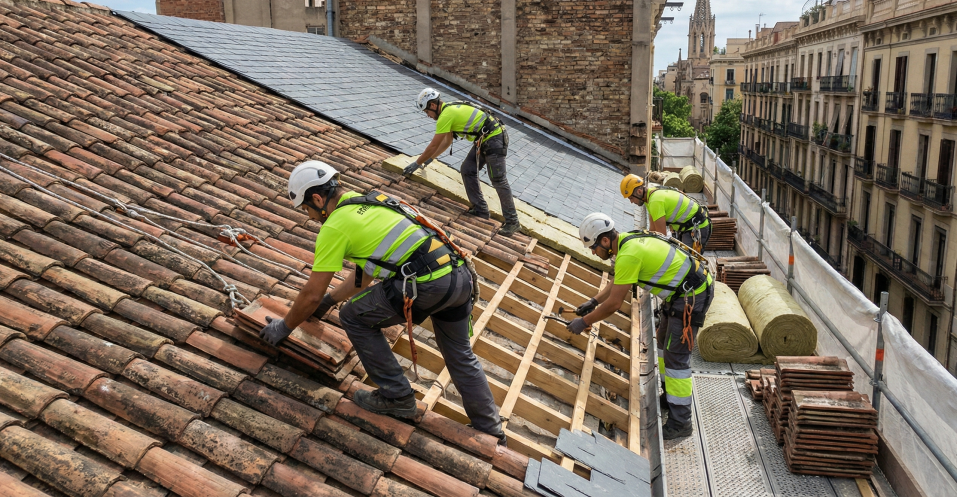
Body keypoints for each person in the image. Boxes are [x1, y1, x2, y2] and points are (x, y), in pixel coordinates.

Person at [259, 160, 506, 443]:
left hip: (427, 283)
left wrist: (285, 327)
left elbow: (310, 293)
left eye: (308, 209)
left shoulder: (335, 226)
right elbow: (362, 279)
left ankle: (397, 396)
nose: (311, 217)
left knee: (353, 315)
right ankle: (491, 430)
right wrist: (329, 301)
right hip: (459, 276)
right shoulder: (372, 201)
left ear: (317, 198)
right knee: (460, 354)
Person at [567, 212, 714, 439]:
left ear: (605, 241)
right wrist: (594, 301)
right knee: (664, 342)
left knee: (677, 359)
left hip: (693, 295)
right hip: (683, 292)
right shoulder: (628, 240)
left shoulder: (628, 255)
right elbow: (619, 280)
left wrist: (584, 322)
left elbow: (615, 303)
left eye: (593, 248)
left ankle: (681, 421)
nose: (593, 253)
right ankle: (670, 396)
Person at [403, 88, 520, 236]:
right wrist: (431, 159)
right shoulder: (448, 110)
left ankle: (513, 222)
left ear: (432, 105)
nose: (428, 115)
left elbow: (433, 145)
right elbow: (447, 141)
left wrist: (417, 163)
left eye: (427, 111)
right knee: (467, 169)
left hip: (494, 138)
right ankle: (481, 210)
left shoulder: (446, 115)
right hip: (485, 139)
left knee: (498, 179)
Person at [620, 174, 711, 253]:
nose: (631, 202)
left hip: (697, 227)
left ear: (639, 192)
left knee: (688, 262)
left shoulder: (655, 201)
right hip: (689, 226)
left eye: (631, 198)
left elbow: (661, 235)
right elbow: (653, 230)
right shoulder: (649, 197)